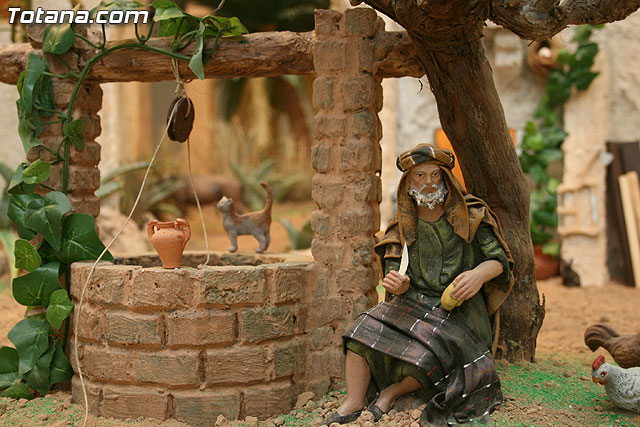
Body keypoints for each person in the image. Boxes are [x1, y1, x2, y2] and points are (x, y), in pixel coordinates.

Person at [323, 144, 514, 426]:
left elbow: (500, 261)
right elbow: (394, 272)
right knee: (359, 333)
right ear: (409, 182)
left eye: (435, 175)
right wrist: (398, 284)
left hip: (460, 308)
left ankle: (391, 392)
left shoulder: (473, 215)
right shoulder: (401, 225)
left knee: (427, 354)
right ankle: (354, 400)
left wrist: (478, 275)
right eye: (420, 176)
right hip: (413, 301)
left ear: (445, 178)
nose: (429, 183)